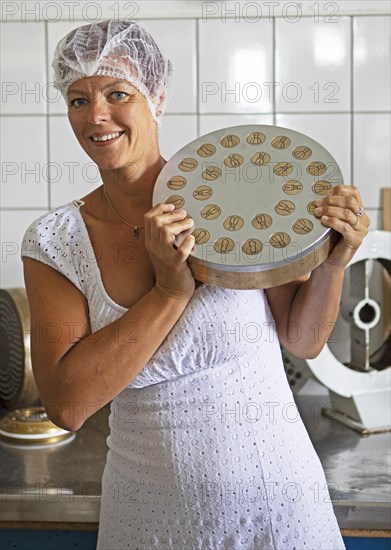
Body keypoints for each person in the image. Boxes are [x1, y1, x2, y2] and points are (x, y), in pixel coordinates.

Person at [21, 20, 369, 550]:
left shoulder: (237, 190)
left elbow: (303, 340)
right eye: (77, 99)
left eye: (118, 93)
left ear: (156, 96)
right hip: (150, 522)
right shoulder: (56, 241)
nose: (96, 116)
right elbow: (68, 407)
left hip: (281, 514)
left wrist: (331, 263)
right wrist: (169, 291)